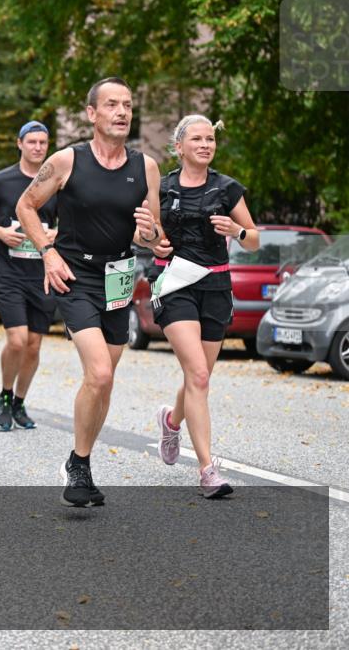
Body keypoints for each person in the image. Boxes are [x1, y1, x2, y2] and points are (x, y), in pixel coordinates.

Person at [15, 77, 163, 507]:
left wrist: (149, 233)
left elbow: (154, 237)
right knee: (98, 372)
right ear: (91, 113)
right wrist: (47, 253)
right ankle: (79, 464)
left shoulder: (146, 167)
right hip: (74, 276)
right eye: (112, 104)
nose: (122, 112)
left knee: (104, 381)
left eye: (128, 105)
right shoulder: (66, 161)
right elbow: (26, 206)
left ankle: (81, 459)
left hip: (118, 277)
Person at [152, 115, 258, 499]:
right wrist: (153, 242)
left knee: (200, 376)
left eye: (210, 139)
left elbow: (254, 240)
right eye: (196, 139)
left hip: (215, 286)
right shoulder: (161, 188)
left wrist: (237, 231)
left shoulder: (227, 188)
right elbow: (144, 232)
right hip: (176, 284)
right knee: (197, 374)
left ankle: (171, 420)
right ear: (179, 147)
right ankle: (207, 470)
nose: (205, 144)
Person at [0, 121, 59, 430]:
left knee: (34, 344)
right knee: (17, 340)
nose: (38, 147)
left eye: (43, 142)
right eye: (32, 142)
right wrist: (0, 232)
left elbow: (70, 222)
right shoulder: (1, 180)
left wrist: (55, 234)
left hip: (42, 274)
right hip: (9, 274)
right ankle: (5, 394)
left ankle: (20, 402)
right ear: (20, 144)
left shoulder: (56, 181)